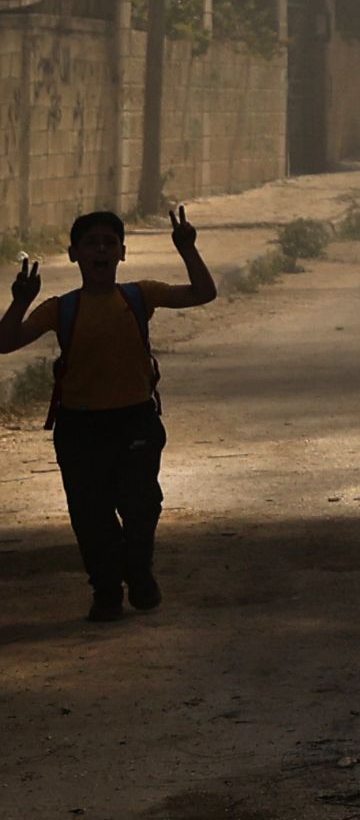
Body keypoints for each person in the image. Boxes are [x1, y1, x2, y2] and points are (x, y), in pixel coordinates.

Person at [0, 208, 218, 621]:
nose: (100, 250)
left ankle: (138, 572)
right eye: (91, 243)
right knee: (90, 515)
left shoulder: (139, 296)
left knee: (141, 506)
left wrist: (188, 249)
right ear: (73, 254)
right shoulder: (60, 309)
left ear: (122, 252)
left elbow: (203, 293)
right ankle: (106, 591)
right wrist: (20, 301)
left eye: (109, 243)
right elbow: (6, 342)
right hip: (80, 429)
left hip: (135, 421)